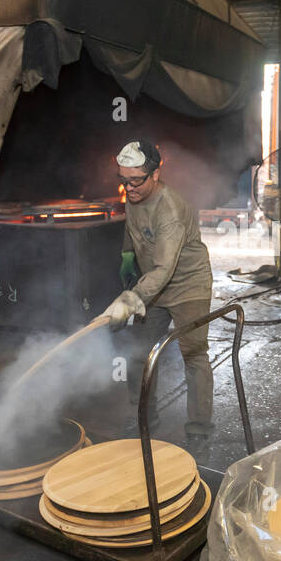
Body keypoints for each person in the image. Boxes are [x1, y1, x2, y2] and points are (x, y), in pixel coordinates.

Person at [102, 140, 214, 448]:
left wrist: (132, 297)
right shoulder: (134, 195)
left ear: (155, 174)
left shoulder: (170, 210)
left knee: (193, 354)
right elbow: (133, 228)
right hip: (154, 286)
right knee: (138, 353)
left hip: (188, 285)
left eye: (136, 180)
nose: (129, 187)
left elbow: (165, 269)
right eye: (123, 180)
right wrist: (127, 255)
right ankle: (145, 418)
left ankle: (200, 427)